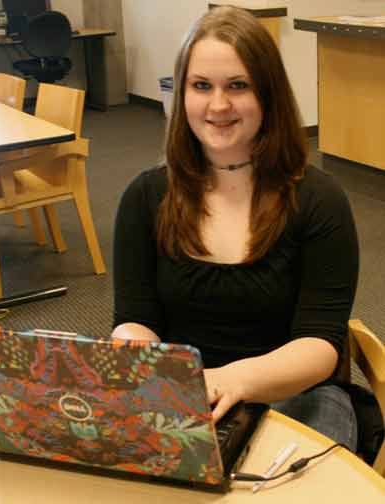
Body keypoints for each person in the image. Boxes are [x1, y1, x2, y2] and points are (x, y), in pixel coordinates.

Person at [112, 6, 359, 451]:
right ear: (182, 93)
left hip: (295, 394)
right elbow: (136, 319)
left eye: (238, 86)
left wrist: (228, 380)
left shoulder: (320, 200)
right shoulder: (144, 197)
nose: (218, 105)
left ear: (268, 95)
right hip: (184, 396)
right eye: (201, 86)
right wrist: (141, 363)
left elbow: (320, 345)